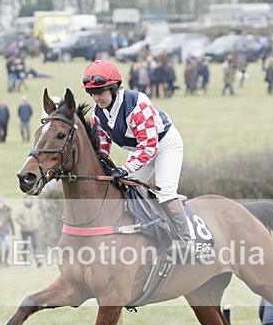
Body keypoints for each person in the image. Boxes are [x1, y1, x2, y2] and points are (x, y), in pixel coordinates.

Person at [81, 58, 192, 250]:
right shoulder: (99, 114)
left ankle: (187, 242)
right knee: (125, 191)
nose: (96, 98)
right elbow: (101, 149)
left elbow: (149, 147)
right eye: (92, 94)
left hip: (165, 145)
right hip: (140, 152)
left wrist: (124, 169)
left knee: (165, 193)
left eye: (100, 92)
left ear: (114, 88)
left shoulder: (137, 104)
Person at [16, 196, 42, 266]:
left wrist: (37, 224)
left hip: (34, 230)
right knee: (25, 245)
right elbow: (17, 217)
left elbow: (40, 216)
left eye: (29, 199)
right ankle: (25, 261)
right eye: (26, 199)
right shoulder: (21, 208)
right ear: (24, 200)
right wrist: (23, 223)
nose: (28, 201)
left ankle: (38, 261)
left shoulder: (35, 207)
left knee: (35, 245)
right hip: (24, 230)